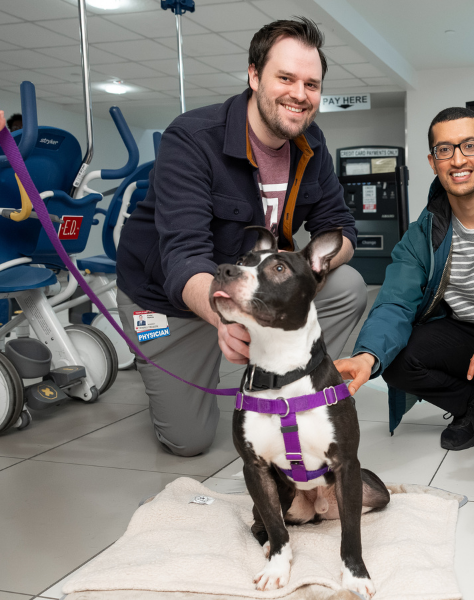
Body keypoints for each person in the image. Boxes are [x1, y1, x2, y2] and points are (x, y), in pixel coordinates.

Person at [115, 18, 365, 457]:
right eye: (285, 78)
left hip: (252, 290)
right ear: (254, 75)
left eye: (311, 84)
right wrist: (225, 318)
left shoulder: (312, 143)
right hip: (168, 299)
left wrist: (307, 265)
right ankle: (175, 361)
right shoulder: (191, 138)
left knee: (347, 285)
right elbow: (184, 257)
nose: (299, 94)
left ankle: (296, 388)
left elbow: (341, 228)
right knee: (188, 441)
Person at [335, 107, 474, 451]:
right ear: (433, 162)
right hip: (463, 334)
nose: (458, 160)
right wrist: (366, 356)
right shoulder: (423, 233)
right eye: (445, 150)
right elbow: (395, 302)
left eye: (469, 146)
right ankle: (472, 403)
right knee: (396, 360)